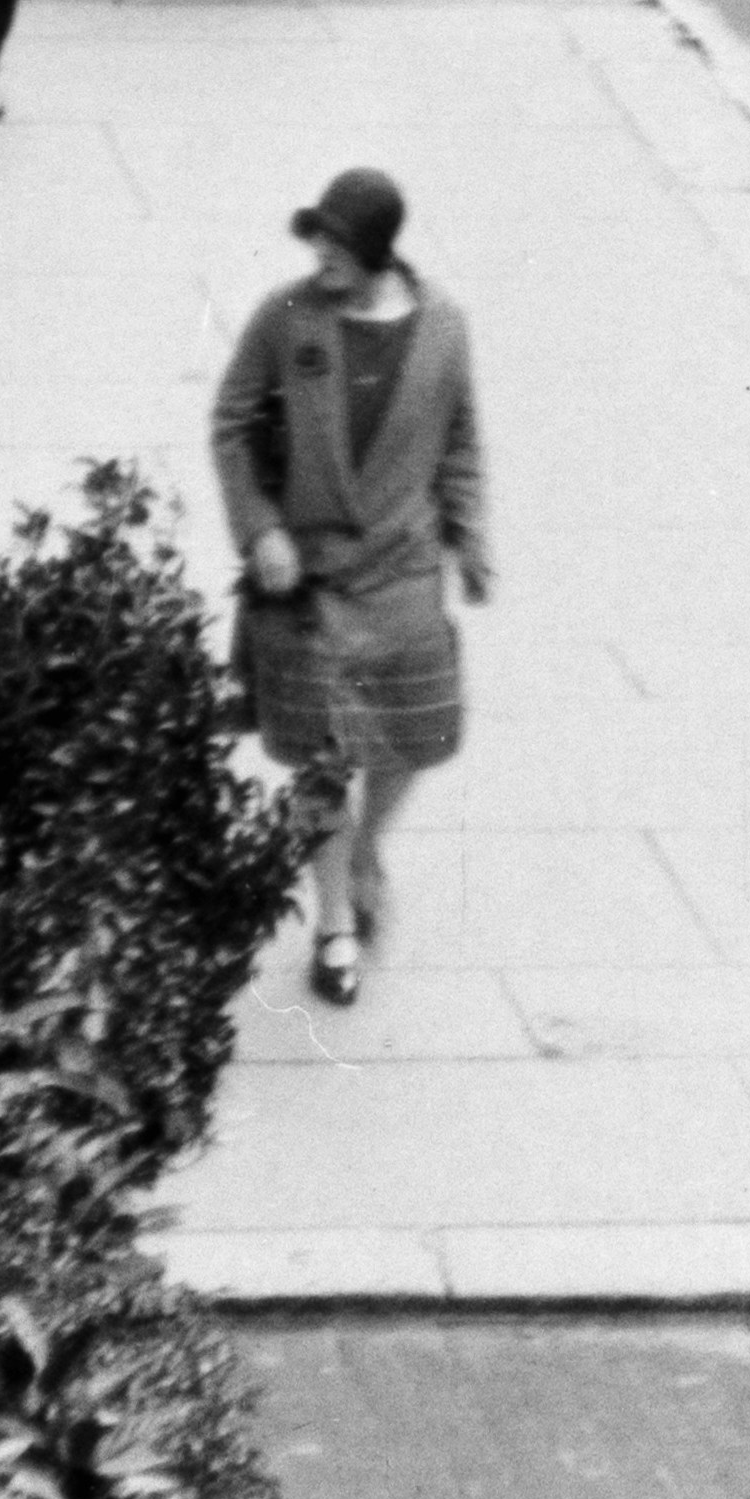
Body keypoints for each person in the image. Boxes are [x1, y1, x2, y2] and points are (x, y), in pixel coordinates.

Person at [210, 166, 492, 1010]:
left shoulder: (442, 328)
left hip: (404, 571)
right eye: (317, 239)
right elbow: (230, 420)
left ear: (375, 253)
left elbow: (460, 437)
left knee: (412, 734)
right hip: (310, 576)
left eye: (337, 244)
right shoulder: (287, 314)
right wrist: (259, 528)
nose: (319, 255)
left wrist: (470, 533)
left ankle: (367, 847)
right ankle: (335, 923)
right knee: (322, 756)